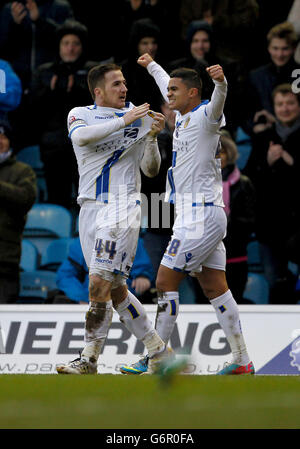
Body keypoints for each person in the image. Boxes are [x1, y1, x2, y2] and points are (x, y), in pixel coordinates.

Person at [120, 53, 254, 376]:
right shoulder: (179, 117)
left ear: (193, 93)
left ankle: (154, 357)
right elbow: (166, 80)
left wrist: (220, 82)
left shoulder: (208, 115)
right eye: (169, 94)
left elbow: (219, 99)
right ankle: (242, 359)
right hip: (193, 215)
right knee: (215, 287)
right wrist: (151, 64)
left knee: (165, 279)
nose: (169, 97)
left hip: (202, 215)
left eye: (175, 93)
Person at [56, 62, 172, 375]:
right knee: (117, 288)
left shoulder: (140, 115)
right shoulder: (80, 114)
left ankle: (88, 359)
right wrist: (125, 120)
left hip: (123, 206)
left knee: (97, 283)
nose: (124, 89)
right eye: (116, 84)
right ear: (98, 91)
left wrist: (150, 138)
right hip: (90, 208)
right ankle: (159, 351)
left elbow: (151, 170)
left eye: (124, 83)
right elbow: (81, 139)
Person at [30, 19, 99, 209]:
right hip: (53, 147)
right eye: (66, 43)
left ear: (82, 46)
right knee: (56, 199)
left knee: (87, 200)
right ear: (59, 46)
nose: (70, 48)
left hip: (87, 147)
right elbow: (33, 109)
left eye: (75, 44)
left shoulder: (93, 72)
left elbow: (102, 104)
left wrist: (76, 87)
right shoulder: (45, 72)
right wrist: (50, 90)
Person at [243, 83, 300, 304]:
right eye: (280, 104)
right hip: (270, 225)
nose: (285, 108)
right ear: (274, 107)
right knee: (276, 281)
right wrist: (267, 162)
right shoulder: (263, 137)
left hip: (298, 225)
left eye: (290, 103)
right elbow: (248, 177)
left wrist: (290, 161)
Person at [0, 119, 37, 303]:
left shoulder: (23, 171)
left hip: (5, 259)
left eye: (3, 136)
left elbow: (26, 198)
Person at [55, 237, 155, 304]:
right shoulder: (83, 242)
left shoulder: (130, 239)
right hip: (89, 301)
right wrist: (81, 298)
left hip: (125, 300)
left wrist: (143, 276)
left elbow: (143, 267)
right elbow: (65, 276)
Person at [219, 132, 256, 303]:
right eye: (214, 152)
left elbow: (250, 220)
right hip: (207, 257)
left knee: (236, 301)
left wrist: (226, 224)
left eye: (222, 152)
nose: (218, 157)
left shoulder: (244, 183)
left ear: (230, 153)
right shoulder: (200, 183)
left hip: (236, 254)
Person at [247, 22, 300, 135]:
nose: (280, 54)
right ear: (268, 48)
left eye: (285, 49)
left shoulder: (298, 74)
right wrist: (255, 125)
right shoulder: (257, 77)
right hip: (264, 136)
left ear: (294, 49)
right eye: (275, 48)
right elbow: (247, 112)